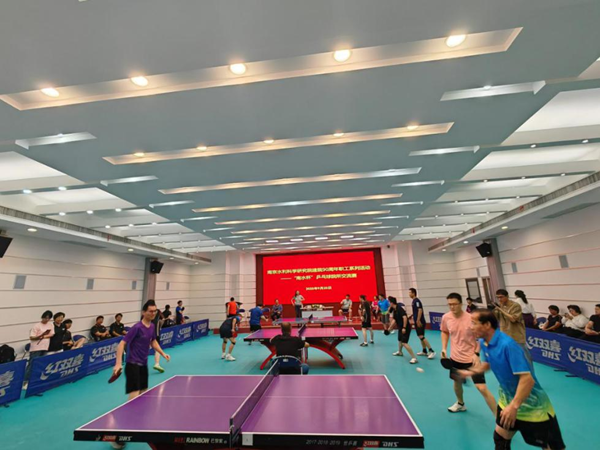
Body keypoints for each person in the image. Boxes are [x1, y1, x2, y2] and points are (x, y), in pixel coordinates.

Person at [461, 310, 565, 450]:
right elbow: (489, 363)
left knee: (552, 447)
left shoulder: (508, 345)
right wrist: (470, 372)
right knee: (500, 440)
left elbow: (528, 380)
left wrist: (513, 407)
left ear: (487, 325)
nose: (470, 326)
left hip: (533, 407)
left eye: (474, 323)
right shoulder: (484, 342)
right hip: (507, 401)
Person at [441, 293, 496, 414]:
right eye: (449, 304)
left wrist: (476, 354)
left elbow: (480, 337)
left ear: (461, 304)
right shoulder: (446, 318)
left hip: (471, 358)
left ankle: (499, 417)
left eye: (454, 304)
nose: (452, 307)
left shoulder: (471, 318)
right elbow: (444, 332)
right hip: (455, 358)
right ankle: (460, 404)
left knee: (482, 388)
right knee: (457, 383)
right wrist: (444, 348)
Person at [112, 301, 171, 404]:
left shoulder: (152, 326)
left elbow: (153, 341)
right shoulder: (137, 327)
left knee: (144, 391)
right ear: (143, 312)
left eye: (155, 311)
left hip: (143, 364)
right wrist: (118, 363)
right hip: (132, 364)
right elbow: (121, 344)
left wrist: (162, 353)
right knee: (135, 392)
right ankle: (130, 412)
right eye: (150, 311)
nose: (153, 313)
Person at [492, 289, 530, 362]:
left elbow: (513, 319)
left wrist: (500, 309)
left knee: (524, 358)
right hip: (505, 336)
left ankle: (529, 369)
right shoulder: (500, 306)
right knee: (509, 359)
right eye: (498, 297)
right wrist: (493, 310)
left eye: (501, 297)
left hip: (517, 336)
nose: (499, 299)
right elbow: (495, 318)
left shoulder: (515, 306)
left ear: (507, 296)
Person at [25, 310, 55, 382]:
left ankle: (36, 379)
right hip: (36, 348)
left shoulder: (50, 325)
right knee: (32, 364)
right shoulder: (37, 325)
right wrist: (39, 337)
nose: (47, 319)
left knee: (41, 363)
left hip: (45, 347)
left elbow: (52, 334)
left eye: (48, 318)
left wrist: (44, 336)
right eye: (45, 318)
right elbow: (32, 337)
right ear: (42, 317)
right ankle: (26, 380)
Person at [389, 297, 417, 363]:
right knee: (400, 340)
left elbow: (405, 317)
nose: (389, 304)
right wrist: (390, 327)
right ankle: (400, 352)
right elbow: (395, 320)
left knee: (404, 343)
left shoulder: (399, 309)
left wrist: (404, 327)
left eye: (389, 302)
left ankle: (414, 358)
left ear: (392, 303)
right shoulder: (394, 310)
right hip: (400, 327)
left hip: (405, 328)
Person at [409, 288, 435, 359]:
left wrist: (418, 320)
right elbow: (416, 311)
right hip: (417, 321)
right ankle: (424, 351)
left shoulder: (417, 301)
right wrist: (411, 316)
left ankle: (431, 351)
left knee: (421, 336)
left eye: (410, 292)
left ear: (413, 293)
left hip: (420, 322)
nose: (409, 294)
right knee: (421, 336)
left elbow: (420, 310)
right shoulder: (414, 301)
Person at [150, 302, 165, 373]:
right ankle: (157, 364)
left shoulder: (145, 313)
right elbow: (163, 319)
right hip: (155, 334)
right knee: (157, 349)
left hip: (146, 333)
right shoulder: (158, 311)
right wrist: (160, 325)